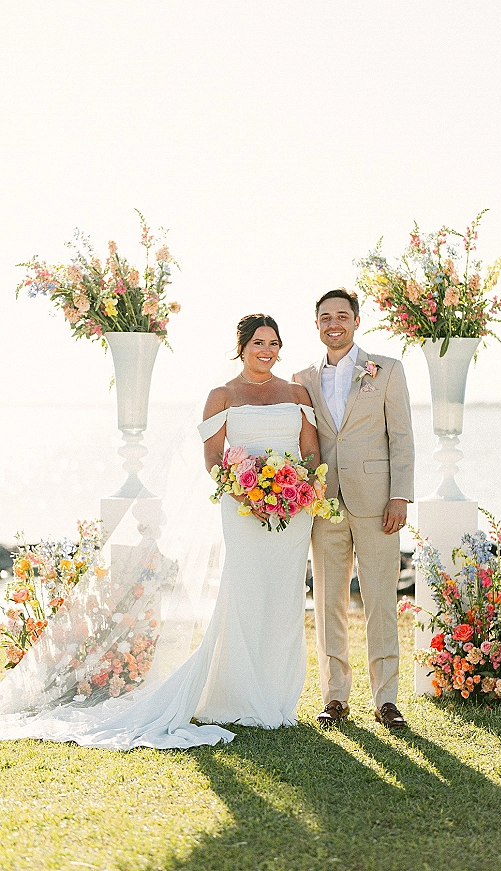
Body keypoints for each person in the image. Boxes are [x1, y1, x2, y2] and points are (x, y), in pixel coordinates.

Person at [0, 314, 318, 749]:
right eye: (258, 342)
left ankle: (279, 700)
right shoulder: (221, 395)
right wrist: (247, 495)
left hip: (293, 513)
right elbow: (213, 460)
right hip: (243, 509)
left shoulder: (297, 393)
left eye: (274, 343)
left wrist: (297, 492)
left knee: (283, 600)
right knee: (244, 597)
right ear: (241, 346)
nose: (267, 350)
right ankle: (238, 696)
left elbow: (312, 452)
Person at [293, 289, 414, 729]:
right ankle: (335, 697)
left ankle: (386, 699)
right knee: (329, 603)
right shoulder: (301, 378)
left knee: (381, 600)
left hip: (378, 502)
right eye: (325, 317)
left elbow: (401, 436)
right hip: (324, 505)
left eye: (341, 315)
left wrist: (400, 495)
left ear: (357, 321)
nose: (334, 323)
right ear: (317, 325)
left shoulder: (386, 370)